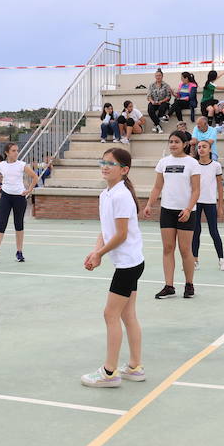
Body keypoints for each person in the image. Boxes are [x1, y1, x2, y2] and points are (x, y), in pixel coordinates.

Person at [80, 147, 146, 388]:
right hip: (130, 262)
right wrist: (95, 251)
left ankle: (109, 373)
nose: (105, 167)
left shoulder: (121, 196)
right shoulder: (105, 194)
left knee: (110, 314)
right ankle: (135, 367)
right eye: (103, 162)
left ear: (124, 170)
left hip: (128, 265)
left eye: (111, 164)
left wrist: (100, 254)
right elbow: (105, 230)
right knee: (127, 315)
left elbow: (120, 235)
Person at [143, 132, 200, 300]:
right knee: (168, 248)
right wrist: (149, 204)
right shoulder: (163, 162)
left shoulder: (192, 163)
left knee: (185, 249)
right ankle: (169, 286)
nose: (173, 144)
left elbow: (196, 190)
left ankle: (189, 284)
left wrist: (188, 209)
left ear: (185, 144)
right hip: (167, 210)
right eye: (171, 142)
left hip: (186, 212)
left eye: (176, 142)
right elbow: (157, 187)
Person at [190, 139, 224, 271]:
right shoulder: (194, 165)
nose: (201, 149)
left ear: (210, 149)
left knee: (214, 231)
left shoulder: (216, 166)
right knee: (196, 231)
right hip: (196, 202)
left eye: (204, 146)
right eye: (199, 147)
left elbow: (220, 187)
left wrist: (220, 205)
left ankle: (221, 260)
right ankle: (194, 261)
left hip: (210, 202)